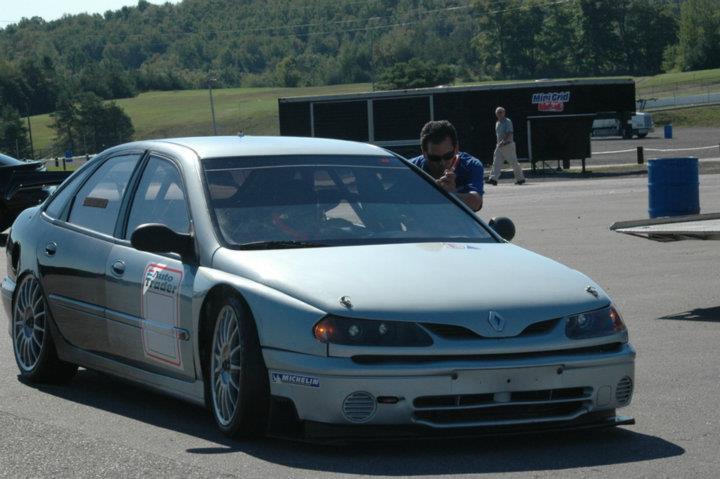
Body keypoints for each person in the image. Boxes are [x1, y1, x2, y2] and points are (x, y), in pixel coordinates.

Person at [409, 120, 484, 211]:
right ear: (424, 153)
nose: (442, 163)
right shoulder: (410, 168)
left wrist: (452, 194)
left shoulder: (470, 165)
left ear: (456, 148)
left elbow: (476, 202)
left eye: (448, 156)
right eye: (435, 158)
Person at [487, 106, 525, 185]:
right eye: (498, 112)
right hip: (499, 146)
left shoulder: (507, 121)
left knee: (513, 162)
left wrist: (504, 142)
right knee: (496, 162)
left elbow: (510, 133)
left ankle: (520, 179)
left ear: (504, 113)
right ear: (496, 114)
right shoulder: (497, 123)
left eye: (501, 112)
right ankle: (493, 179)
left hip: (508, 145)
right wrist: (499, 143)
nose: (499, 114)